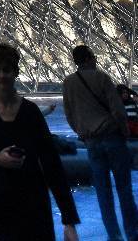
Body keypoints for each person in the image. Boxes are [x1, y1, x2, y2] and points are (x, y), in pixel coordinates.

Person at [0, 42, 79, 241]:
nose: (2, 76)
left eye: (7, 70)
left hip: (27, 207)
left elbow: (52, 164)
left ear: (15, 72)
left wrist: (68, 220)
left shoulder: (30, 112)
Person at [63, 44, 138, 241]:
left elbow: (69, 114)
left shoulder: (68, 82)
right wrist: (124, 131)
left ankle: (114, 236)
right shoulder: (101, 77)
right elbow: (118, 110)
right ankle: (133, 233)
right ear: (89, 58)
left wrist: (82, 133)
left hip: (91, 142)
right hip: (112, 137)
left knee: (103, 193)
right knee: (124, 189)